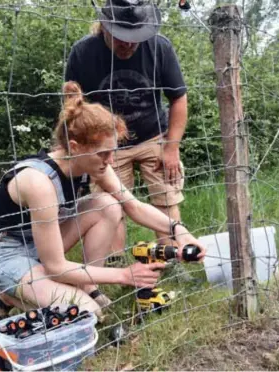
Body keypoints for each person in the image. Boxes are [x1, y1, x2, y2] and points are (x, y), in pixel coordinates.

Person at [0, 81, 205, 323]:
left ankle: (87, 286)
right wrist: (123, 275)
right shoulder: (39, 183)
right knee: (85, 312)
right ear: (75, 147)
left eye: (112, 152)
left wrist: (179, 231)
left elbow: (134, 206)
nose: (110, 160)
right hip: (7, 250)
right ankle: (3, 295)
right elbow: (55, 265)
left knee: (108, 205)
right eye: (104, 153)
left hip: (43, 240)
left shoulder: (94, 163)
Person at [65, 0, 188, 264]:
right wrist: (86, 149)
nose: (129, 45)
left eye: (135, 39)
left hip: (153, 134)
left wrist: (171, 148)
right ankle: (116, 267)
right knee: (112, 205)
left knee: (166, 198)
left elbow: (178, 98)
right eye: (121, 38)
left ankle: (173, 262)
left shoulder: (160, 46)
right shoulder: (82, 52)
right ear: (105, 28)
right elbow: (72, 104)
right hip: (105, 144)